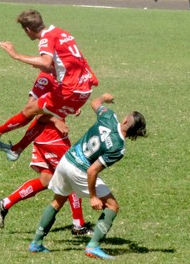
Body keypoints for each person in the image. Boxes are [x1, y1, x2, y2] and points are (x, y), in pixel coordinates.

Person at [28, 93, 147, 260]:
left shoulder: (109, 116)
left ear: (126, 121)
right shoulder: (118, 147)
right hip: (79, 170)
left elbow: (95, 102)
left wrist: (104, 98)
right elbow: (92, 171)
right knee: (112, 206)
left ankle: (36, 243)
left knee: (58, 201)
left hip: (66, 161)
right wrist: (93, 197)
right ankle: (93, 246)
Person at [0, 9, 98, 159]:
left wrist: (16, 55)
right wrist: (48, 67)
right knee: (43, 117)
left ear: (28, 30)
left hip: (70, 90)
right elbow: (64, 63)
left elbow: (45, 61)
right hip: (84, 89)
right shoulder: (62, 33)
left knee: (30, 109)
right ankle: (16, 150)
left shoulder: (46, 38)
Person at [0, 71, 92, 235]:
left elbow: (56, 102)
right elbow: (34, 110)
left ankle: (5, 203)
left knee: (46, 180)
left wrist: (71, 108)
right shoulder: (45, 78)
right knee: (73, 174)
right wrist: (56, 120)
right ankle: (78, 225)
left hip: (43, 138)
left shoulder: (59, 76)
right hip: (51, 137)